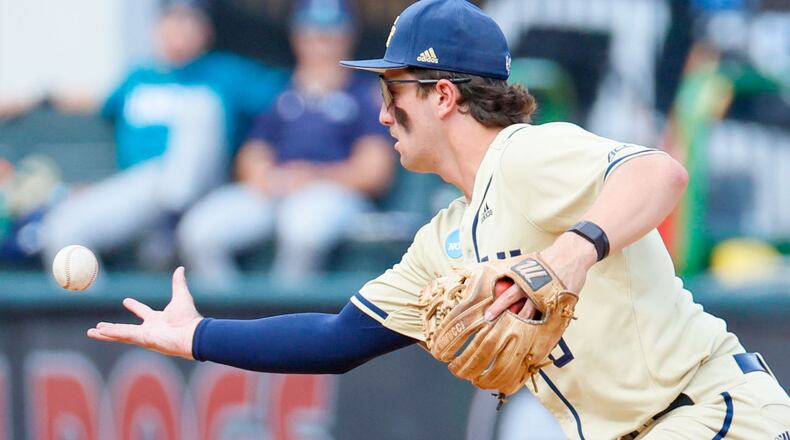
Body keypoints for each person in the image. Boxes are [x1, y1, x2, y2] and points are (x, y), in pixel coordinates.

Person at [87, 1, 790, 439]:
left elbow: (660, 173)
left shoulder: (527, 154)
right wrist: (199, 335)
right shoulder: (444, 240)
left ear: (444, 95)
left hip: (712, 416)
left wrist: (574, 252)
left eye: (396, 91)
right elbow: (337, 340)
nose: (383, 111)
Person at [40, 4, 285, 269]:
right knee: (62, 230)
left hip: (203, 188)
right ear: (157, 29)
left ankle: (169, 225)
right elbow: (95, 101)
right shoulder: (139, 75)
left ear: (206, 32)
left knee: (200, 105)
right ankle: (101, 308)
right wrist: (34, 99)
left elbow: (291, 92)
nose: (179, 29)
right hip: (141, 188)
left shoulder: (225, 71)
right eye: (172, 20)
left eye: (189, 21)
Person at [176, 0, 394, 286]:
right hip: (276, 190)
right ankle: (234, 319)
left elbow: (374, 172)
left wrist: (314, 176)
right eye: (311, 33)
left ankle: (281, 324)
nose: (320, 44)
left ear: (347, 37)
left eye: (329, 34)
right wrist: (267, 175)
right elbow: (251, 155)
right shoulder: (281, 91)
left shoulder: (363, 95)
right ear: (297, 37)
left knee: (303, 228)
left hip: (333, 193)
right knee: (199, 232)